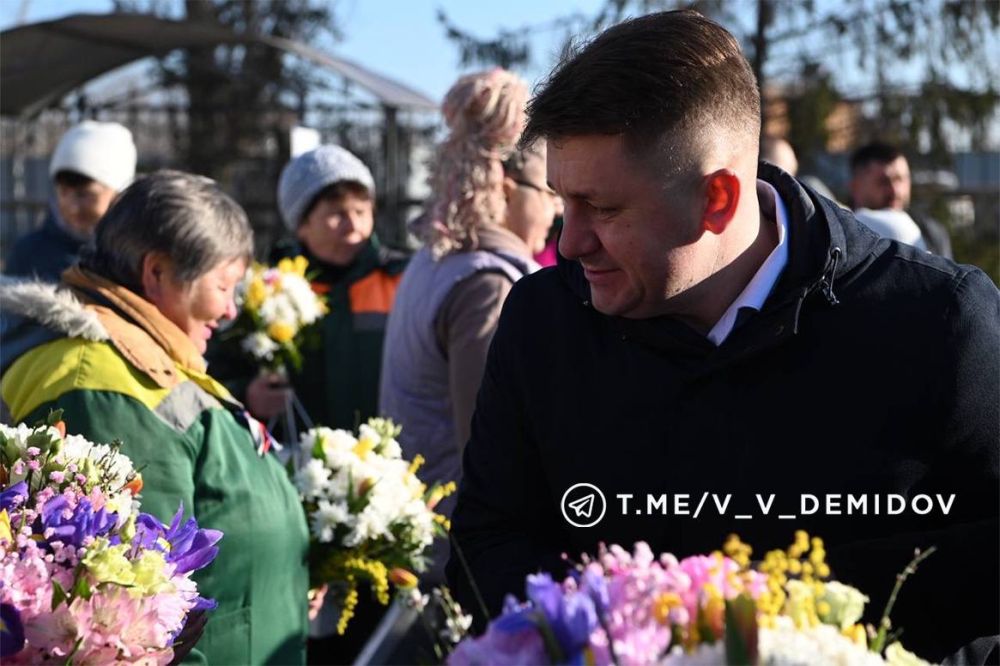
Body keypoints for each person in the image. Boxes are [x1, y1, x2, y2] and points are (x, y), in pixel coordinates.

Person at [446, 10, 998, 663]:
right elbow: (485, 545)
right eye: (564, 201)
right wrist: (626, 632)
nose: (569, 241)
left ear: (717, 200)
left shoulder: (939, 321)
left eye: (605, 207)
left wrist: (792, 627)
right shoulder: (544, 319)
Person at [0, 171, 311, 665]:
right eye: (222, 286)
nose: (231, 310)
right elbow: (136, 614)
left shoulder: (145, 358)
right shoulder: (106, 389)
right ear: (158, 272)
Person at [380, 69, 556, 578]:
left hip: (424, 539)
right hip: (460, 559)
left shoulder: (437, 257)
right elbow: (490, 449)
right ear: (506, 185)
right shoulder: (488, 285)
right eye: (548, 190)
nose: (557, 209)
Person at [216, 145, 408, 436]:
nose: (354, 225)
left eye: (361, 211)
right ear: (302, 224)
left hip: (387, 465)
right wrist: (247, 395)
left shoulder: (400, 280)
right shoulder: (264, 292)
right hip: (293, 464)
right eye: (337, 214)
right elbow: (215, 373)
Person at [5, 120, 137, 281]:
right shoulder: (28, 254)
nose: (73, 207)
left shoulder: (135, 258)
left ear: (119, 193)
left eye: (86, 194)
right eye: (63, 192)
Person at [849, 141, 953, 257]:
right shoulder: (839, 234)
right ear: (856, 187)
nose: (895, 190)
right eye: (883, 182)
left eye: (900, 179)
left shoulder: (931, 233)